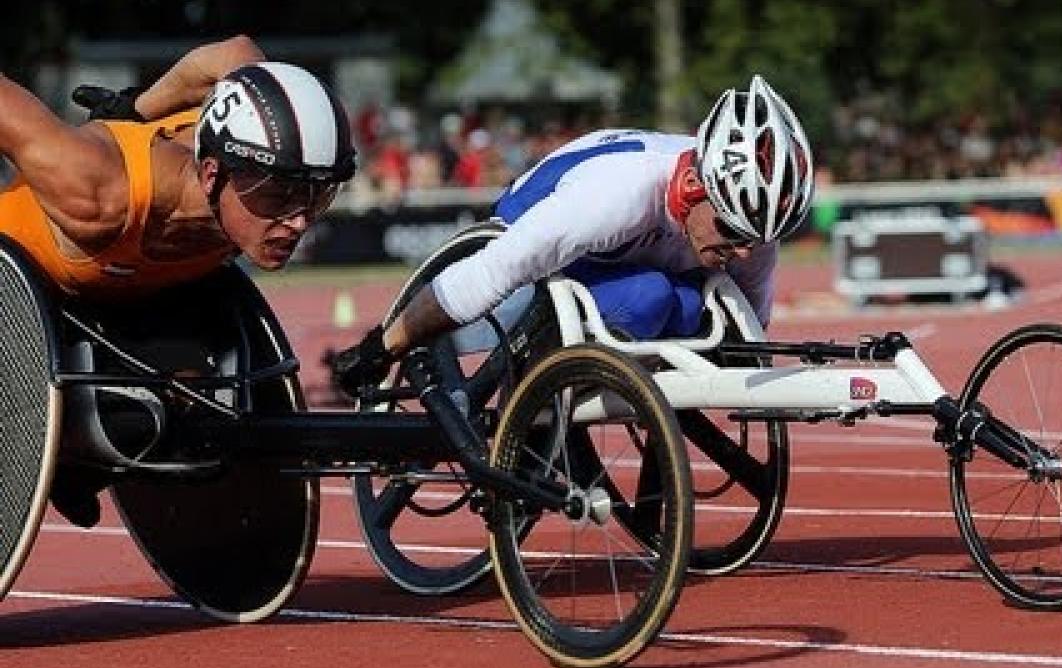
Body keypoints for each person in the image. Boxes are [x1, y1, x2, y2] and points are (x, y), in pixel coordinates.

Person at [0, 35, 357, 525]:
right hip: (16, 307)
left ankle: (77, 459)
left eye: (317, 196)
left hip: (122, 303)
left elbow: (235, 51)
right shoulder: (96, 192)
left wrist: (137, 107)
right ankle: (66, 449)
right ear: (212, 175)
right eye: (279, 195)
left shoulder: (258, 139)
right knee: (129, 417)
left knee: (202, 418)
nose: (298, 221)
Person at [333, 74, 814, 394]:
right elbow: (489, 272)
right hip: (538, 218)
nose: (744, 251)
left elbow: (751, 333)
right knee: (651, 297)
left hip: (626, 255)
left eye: (760, 238)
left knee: (693, 308)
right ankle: (540, 399)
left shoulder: (748, 221)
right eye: (732, 232)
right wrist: (382, 346)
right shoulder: (615, 196)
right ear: (692, 186)